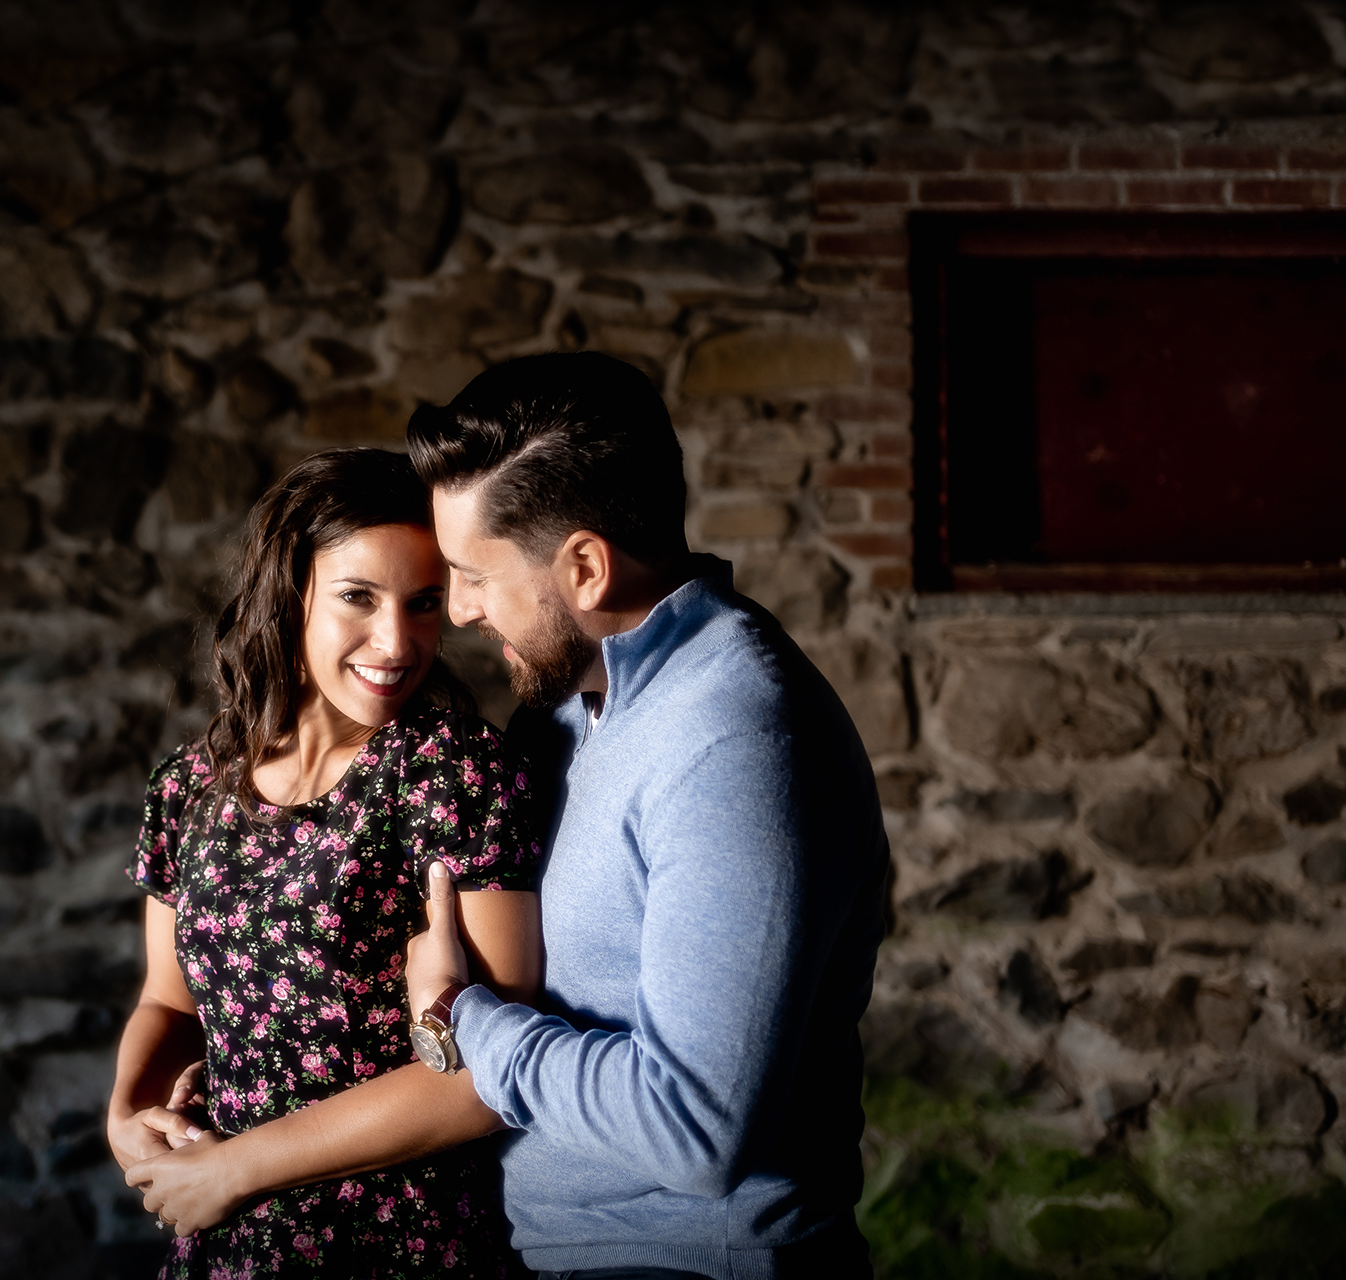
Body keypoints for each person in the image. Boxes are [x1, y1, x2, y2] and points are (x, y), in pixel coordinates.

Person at [400, 351, 889, 1280]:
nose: (458, 611)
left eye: (474, 575)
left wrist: (463, 1020)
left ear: (586, 567)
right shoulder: (565, 709)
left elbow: (693, 1130)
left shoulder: (735, 740)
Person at [108, 448, 545, 1278]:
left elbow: (489, 1075)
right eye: (358, 596)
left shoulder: (453, 774)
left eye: (424, 604)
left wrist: (237, 1170)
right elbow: (168, 1001)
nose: (397, 641)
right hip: (221, 1241)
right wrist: (127, 1115)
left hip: (395, 1244)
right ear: (290, 593)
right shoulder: (190, 786)